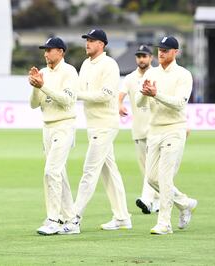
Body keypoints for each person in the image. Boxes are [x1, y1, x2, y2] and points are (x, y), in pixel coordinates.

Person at [66, 29, 131, 232]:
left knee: (89, 171)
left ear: (102, 44)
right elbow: (77, 88)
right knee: (110, 172)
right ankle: (122, 218)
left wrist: (77, 95)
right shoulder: (86, 64)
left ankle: (74, 217)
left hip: (105, 125)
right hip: (93, 124)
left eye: (92, 40)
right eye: (87, 40)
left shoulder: (109, 64)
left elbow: (106, 95)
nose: (87, 43)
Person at [136, 36, 197, 235]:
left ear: (175, 52)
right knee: (152, 178)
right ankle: (185, 203)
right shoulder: (151, 73)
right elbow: (139, 103)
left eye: (166, 50)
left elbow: (180, 103)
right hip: (154, 131)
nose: (161, 53)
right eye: (160, 49)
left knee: (164, 177)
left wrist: (156, 94)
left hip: (174, 130)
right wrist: (145, 93)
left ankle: (164, 223)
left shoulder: (183, 75)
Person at [28, 37, 80, 235]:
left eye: (49, 50)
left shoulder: (69, 72)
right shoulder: (42, 73)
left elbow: (66, 100)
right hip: (47, 128)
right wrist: (35, 85)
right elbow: (33, 104)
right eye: (45, 50)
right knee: (60, 174)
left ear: (61, 51)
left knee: (51, 171)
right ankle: (72, 220)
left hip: (64, 125)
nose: (46, 54)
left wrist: (43, 86)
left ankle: (53, 219)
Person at [119, 45, 160, 214]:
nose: (141, 59)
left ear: (151, 58)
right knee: (146, 171)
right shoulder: (129, 78)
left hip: (155, 128)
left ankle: (147, 200)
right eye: (139, 56)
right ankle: (157, 201)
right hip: (138, 130)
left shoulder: (157, 74)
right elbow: (120, 95)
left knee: (152, 168)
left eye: (144, 56)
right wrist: (119, 105)